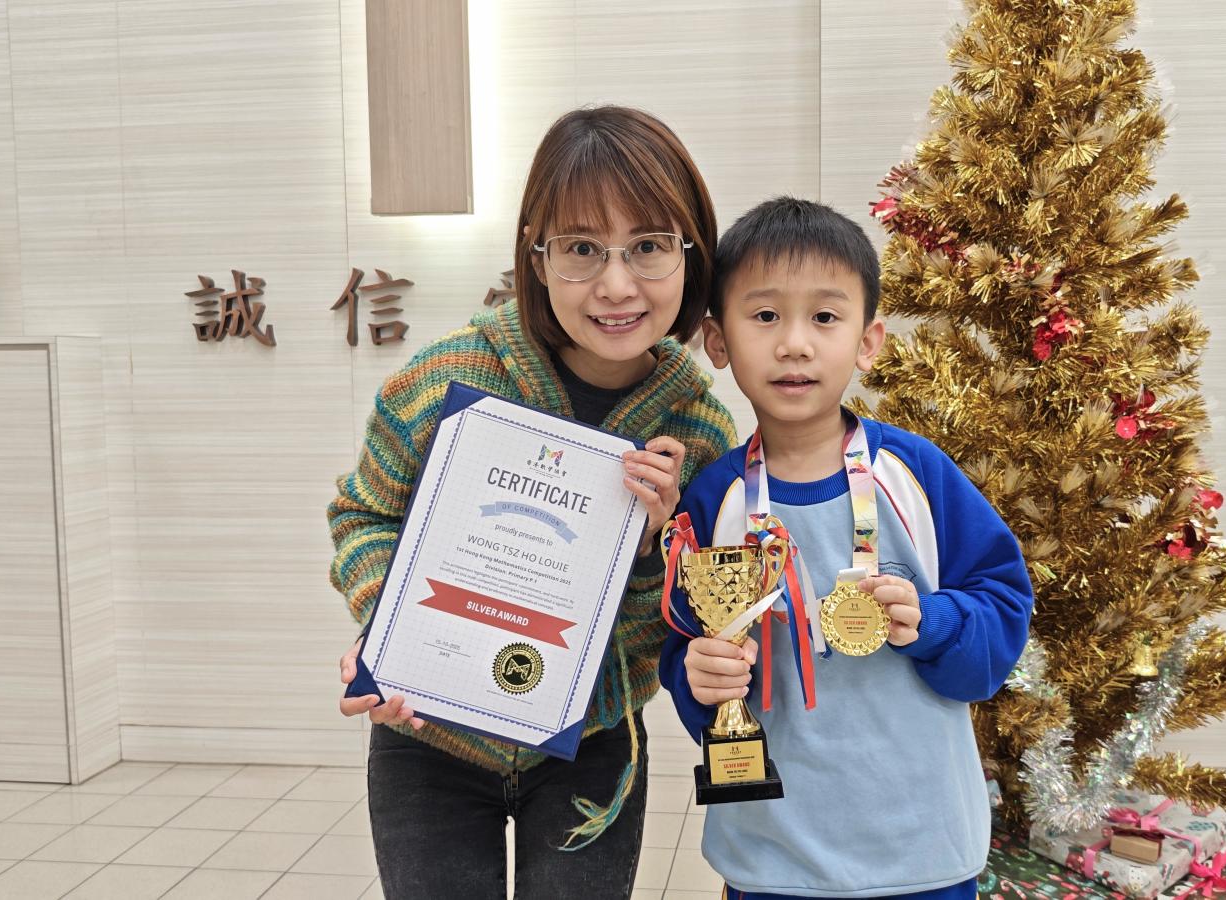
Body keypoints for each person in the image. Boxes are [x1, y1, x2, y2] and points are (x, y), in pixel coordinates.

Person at [328, 106, 737, 899]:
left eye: (649, 246)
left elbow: (685, 624)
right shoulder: (446, 379)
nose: (616, 284)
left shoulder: (700, 433)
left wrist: (651, 547)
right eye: (581, 248)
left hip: (591, 746)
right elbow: (364, 515)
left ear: (691, 254)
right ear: (536, 256)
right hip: (430, 741)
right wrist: (390, 624)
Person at [660, 197, 1034, 899]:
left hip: (923, 850)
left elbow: (1004, 613)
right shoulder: (714, 500)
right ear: (717, 340)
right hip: (772, 858)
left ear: (868, 340)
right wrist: (696, 677)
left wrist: (934, 621)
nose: (794, 344)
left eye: (825, 317)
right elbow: (686, 648)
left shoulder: (917, 475)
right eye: (764, 315)